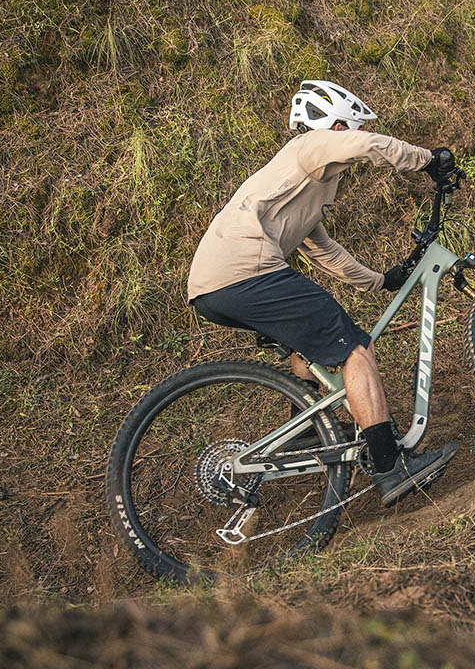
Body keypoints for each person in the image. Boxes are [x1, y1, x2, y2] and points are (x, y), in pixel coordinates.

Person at [187, 79, 458, 506]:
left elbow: (322, 249)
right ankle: (391, 468)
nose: (350, 139)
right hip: (245, 270)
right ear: (335, 127)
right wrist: (428, 160)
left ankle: (307, 428)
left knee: (307, 350)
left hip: (213, 288)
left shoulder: (304, 181)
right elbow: (367, 145)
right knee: (354, 349)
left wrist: (377, 281)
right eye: (348, 128)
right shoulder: (309, 147)